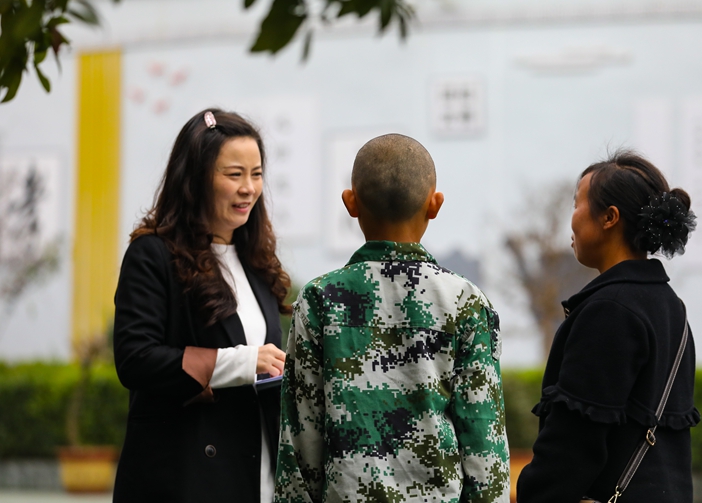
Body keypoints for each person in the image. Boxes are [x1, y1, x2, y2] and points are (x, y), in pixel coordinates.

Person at [273, 134, 510, 503]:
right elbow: (484, 444)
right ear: (435, 205)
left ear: (350, 203)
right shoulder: (465, 302)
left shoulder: (320, 300)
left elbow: (301, 439)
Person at [112, 109, 291, 503]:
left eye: (257, 174)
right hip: (183, 480)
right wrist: (244, 363)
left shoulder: (256, 262)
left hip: (256, 478)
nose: (249, 188)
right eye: (234, 174)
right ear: (195, 179)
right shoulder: (152, 255)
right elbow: (135, 358)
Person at [516, 150, 700, 503]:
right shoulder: (671, 306)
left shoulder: (609, 311)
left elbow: (573, 445)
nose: (570, 221)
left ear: (609, 218)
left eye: (576, 204)